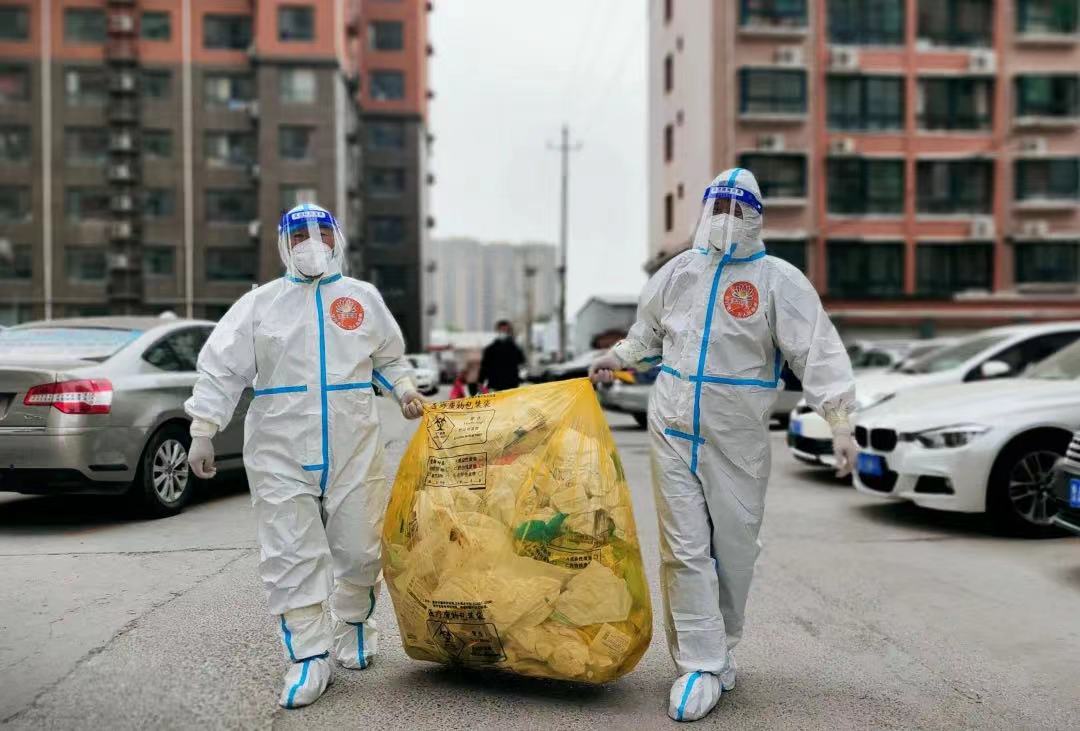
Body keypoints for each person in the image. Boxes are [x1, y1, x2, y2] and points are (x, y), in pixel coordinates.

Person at [589, 169, 857, 722]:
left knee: (734, 549)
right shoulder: (679, 273)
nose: (726, 220)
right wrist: (617, 357)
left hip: (737, 435)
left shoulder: (778, 280)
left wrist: (840, 420)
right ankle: (700, 663)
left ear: (757, 218)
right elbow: (649, 333)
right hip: (671, 422)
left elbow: (816, 349)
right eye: (719, 208)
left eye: (739, 210)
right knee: (684, 548)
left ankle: (722, 644)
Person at [184, 203, 425, 709]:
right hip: (279, 447)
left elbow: (387, 358)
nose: (311, 244)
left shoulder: (362, 298)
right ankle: (308, 657)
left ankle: (354, 623)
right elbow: (222, 369)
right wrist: (203, 428)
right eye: (298, 237)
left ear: (337, 239)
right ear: (283, 245)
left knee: (360, 548)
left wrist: (404, 389)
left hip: (353, 444)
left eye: (321, 234)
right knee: (290, 551)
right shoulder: (260, 305)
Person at [479, 319, 525, 392]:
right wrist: (481, 381)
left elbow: (521, 363)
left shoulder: (515, 348)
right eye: (501, 330)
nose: (503, 332)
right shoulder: (491, 349)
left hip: (511, 384)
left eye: (505, 330)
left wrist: (521, 379)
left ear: (509, 331)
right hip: (495, 384)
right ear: (497, 331)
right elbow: (485, 366)